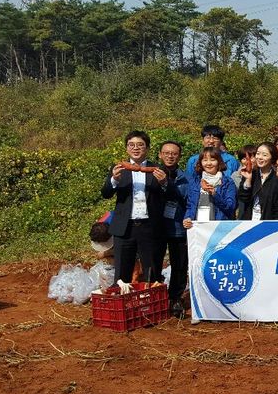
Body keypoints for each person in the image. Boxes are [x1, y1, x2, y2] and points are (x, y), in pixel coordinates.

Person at [100, 130, 168, 284]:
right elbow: (105, 193)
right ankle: (124, 304)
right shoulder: (118, 168)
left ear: (147, 148)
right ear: (126, 148)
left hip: (150, 226)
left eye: (140, 145)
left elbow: (170, 195)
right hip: (125, 227)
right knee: (122, 271)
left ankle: (151, 303)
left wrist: (164, 183)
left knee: (152, 270)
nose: (135, 148)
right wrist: (114, 180)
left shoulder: (158, 168)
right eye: (131, 145)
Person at [154, 140, 189, 315]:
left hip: (178, 227)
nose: (170, 156)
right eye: (166, 153)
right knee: (154, 264)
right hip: (157, 227)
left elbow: (185, 199)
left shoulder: (185, 178)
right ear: (160, 154)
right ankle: (155, 298)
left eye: (174, 153)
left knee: (180, 265)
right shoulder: (151, 173)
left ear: (179, 156)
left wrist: (167, 184)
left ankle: (175, 298)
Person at [237, 142, 278, 221]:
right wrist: (248, 180)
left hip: (269, 223)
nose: (259, 157)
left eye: (264, 155)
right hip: (250, 222)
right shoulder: (251, 174)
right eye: (258, 154)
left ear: (272, 158)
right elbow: (243, 198)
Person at [183, 147, 238, 228]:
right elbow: (190, 205)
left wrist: (215, 194)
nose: (208, 163)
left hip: (218, 228)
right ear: (200, 162)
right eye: (205, 160)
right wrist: (187, 218)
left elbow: (231, 207)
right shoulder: (195, 182)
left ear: (219, 162)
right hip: (198, 228)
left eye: (212, 160)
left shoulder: (227, 182)